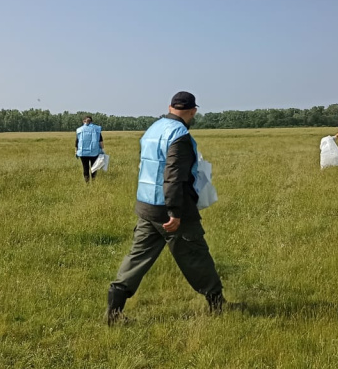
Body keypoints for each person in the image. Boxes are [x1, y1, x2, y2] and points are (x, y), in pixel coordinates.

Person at [106, 91, 231, 325]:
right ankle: (218, 305)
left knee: (137, 257)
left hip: (146, 206)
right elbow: (173, 175)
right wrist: (175, 212)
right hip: (171, 208)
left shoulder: (153, 129)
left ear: (170, 107)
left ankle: (114, 310)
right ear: (193, 111)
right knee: (196, 256)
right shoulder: (180, 134)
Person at [75, 116, 104, 183]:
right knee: (94, 167)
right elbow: (100, 141)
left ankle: (87, 182)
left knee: (85, 168)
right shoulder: (96, 129)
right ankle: (93, 182)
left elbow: (77, 141)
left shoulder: (80, 130)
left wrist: (76, 151)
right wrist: (102, 150)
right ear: (92, 121)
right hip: (94, 152)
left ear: (83, 121)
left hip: (83, 152)